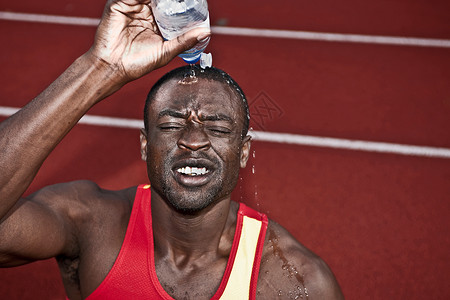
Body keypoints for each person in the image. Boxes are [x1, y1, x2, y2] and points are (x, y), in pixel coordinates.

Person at [0, 0, 344, 299]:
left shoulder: (298, 283)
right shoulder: (91, 223)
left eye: (219, 127)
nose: (193, 140)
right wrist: (99, 70)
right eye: (170, 125)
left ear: (243, 151)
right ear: (145, 145)